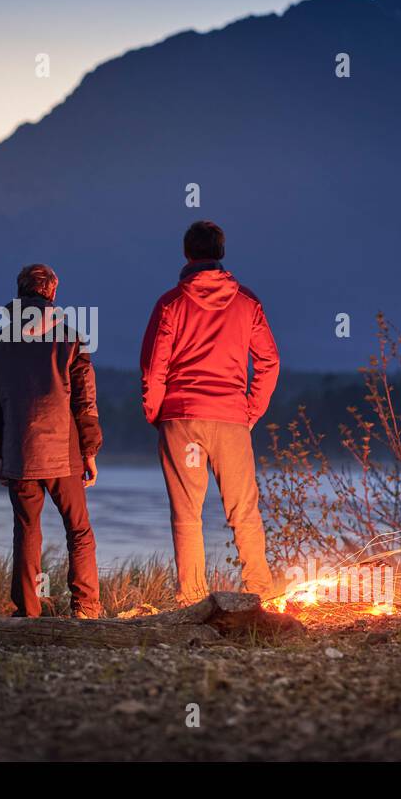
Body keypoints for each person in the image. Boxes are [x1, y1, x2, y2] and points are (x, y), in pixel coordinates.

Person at [139, 221, 279, 605]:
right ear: (221, 253)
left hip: (182, 419)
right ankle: (261, 595)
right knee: (244, 511)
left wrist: (157, 413)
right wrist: (250, 411)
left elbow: (153, 369)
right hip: (232, 418)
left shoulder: (170, 304)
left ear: (187, 254)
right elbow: (269, 361)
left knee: (187, 514)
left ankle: (192, 601)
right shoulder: (247, 302)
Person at [0, 264, 103, 618]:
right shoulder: (71, 337)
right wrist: (90, 451)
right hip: (63, 454)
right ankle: (85, 610)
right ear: (52, 292)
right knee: (79, 530)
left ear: (20, 292)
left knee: (27, 531)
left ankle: (28, 612)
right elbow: (84, 400)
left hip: (19, 453)